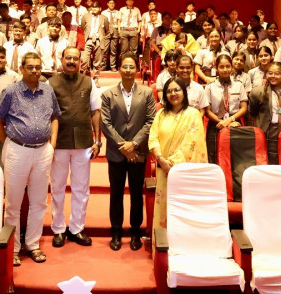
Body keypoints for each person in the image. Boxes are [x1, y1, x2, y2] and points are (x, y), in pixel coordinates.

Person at [0, 52, 60, 265]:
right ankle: (13, 248)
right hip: (17, 150)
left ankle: (33, 244)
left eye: (38, 67)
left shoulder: (48, 90)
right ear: (21, 68)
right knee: (13, 203)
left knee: (39, 202)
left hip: (43, 151)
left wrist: (52, 144)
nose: (34, 71)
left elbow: (55, 117)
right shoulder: (11, 91)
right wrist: (9, 142)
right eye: (30, 67)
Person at [101, 54, 156, 251]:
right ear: (119, 70)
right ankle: (116, 231)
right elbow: (105, 124)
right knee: (115, 194)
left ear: (136, 70)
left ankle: (135, 232)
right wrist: (124, 146)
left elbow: (150, 121)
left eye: (131, 67)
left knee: (136, 194)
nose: (128, 70)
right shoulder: (108, 94)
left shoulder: (147, 93)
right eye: (125, 66)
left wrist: (133, 144)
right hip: (116, 153)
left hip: (138, 152)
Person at [49, 48, 102, 248]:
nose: (71, 61)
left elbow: (96, 112)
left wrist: (98, 140)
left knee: (81, 188)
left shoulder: (88, 82)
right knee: (57, 188)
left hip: (83, 142)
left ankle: (77, 228)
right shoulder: (51, 83)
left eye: (75, 58)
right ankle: (58, 228)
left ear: (81, 61)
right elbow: (47, 114)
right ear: (61, 60)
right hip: (58, 143)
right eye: (68, 58)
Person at [149, 78, 207, 237]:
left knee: (184, 209)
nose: (173, 94)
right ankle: (162, 245)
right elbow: (153, 138)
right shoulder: (161, 114)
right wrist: (160, 159)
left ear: (184, 92)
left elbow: (191, 143)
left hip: (184, 171)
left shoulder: (193, 114)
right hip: (163, 170)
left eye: (177, 90)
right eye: (169, 91)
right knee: (165, 208)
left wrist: (171, 164)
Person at [205, 54, 248, 162]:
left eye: (228, 66)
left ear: (232, 67)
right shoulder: (210, 87)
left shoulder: (239, 85)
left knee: (235, 156)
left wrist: (229, 120)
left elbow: (244, 108)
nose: (225, 70)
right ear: (216, 68)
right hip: (215, 124)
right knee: (214, 156)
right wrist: (221, 122)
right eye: (221, 67)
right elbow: (207, 111)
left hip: (235, 122)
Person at [81, 4, 111, 73]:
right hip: (88, 40)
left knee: (97, 63)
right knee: (84, 60)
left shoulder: (104, 18)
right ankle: (83, 77)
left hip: (98, 40)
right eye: (93, 7)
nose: (94, 9)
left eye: (96, 7)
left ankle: (95, 79)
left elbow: (107, 31)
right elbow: (82, 28)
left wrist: (102, 38)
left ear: (100, 8)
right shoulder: (86, 16)